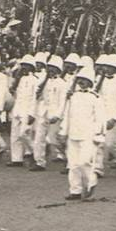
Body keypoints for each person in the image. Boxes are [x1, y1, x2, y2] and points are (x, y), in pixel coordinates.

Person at [58, 66, 104, 201]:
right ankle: (75, 190)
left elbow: (100, 118)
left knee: (84, 161)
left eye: (84, 80)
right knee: (73, 164)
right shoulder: (73, 96)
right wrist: (63, 132)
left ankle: (91, 182)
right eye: (80, 79)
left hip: (88, 135)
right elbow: (67, 115)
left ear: (90, 82)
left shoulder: (95, 97)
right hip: (73, 133)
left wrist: (98, 135)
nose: (81, 82)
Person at [32, 54, 67, 171]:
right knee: (39, 137)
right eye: (49, 67)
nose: (50, 70)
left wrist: (57, 115)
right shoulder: (44, 81)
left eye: (53, 68)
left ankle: (68, 157)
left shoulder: (62, 83)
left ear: (58, 70)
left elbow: (62, 101)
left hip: (55, 114)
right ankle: (39, 161)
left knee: (52, 139)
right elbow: (38, 96)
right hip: (43, 112)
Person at [8, 55, 38, 167]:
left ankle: (35, 152)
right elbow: (18, 96)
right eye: (23, 65)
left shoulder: (34, 80)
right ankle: (16, 159)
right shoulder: (20, 79)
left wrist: (32, 113)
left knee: (23, 134)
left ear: (31, 67)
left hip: (27, 110)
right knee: (15, 135)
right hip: (18, 109)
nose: (24, 67)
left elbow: (34, 98)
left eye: (26, 65)